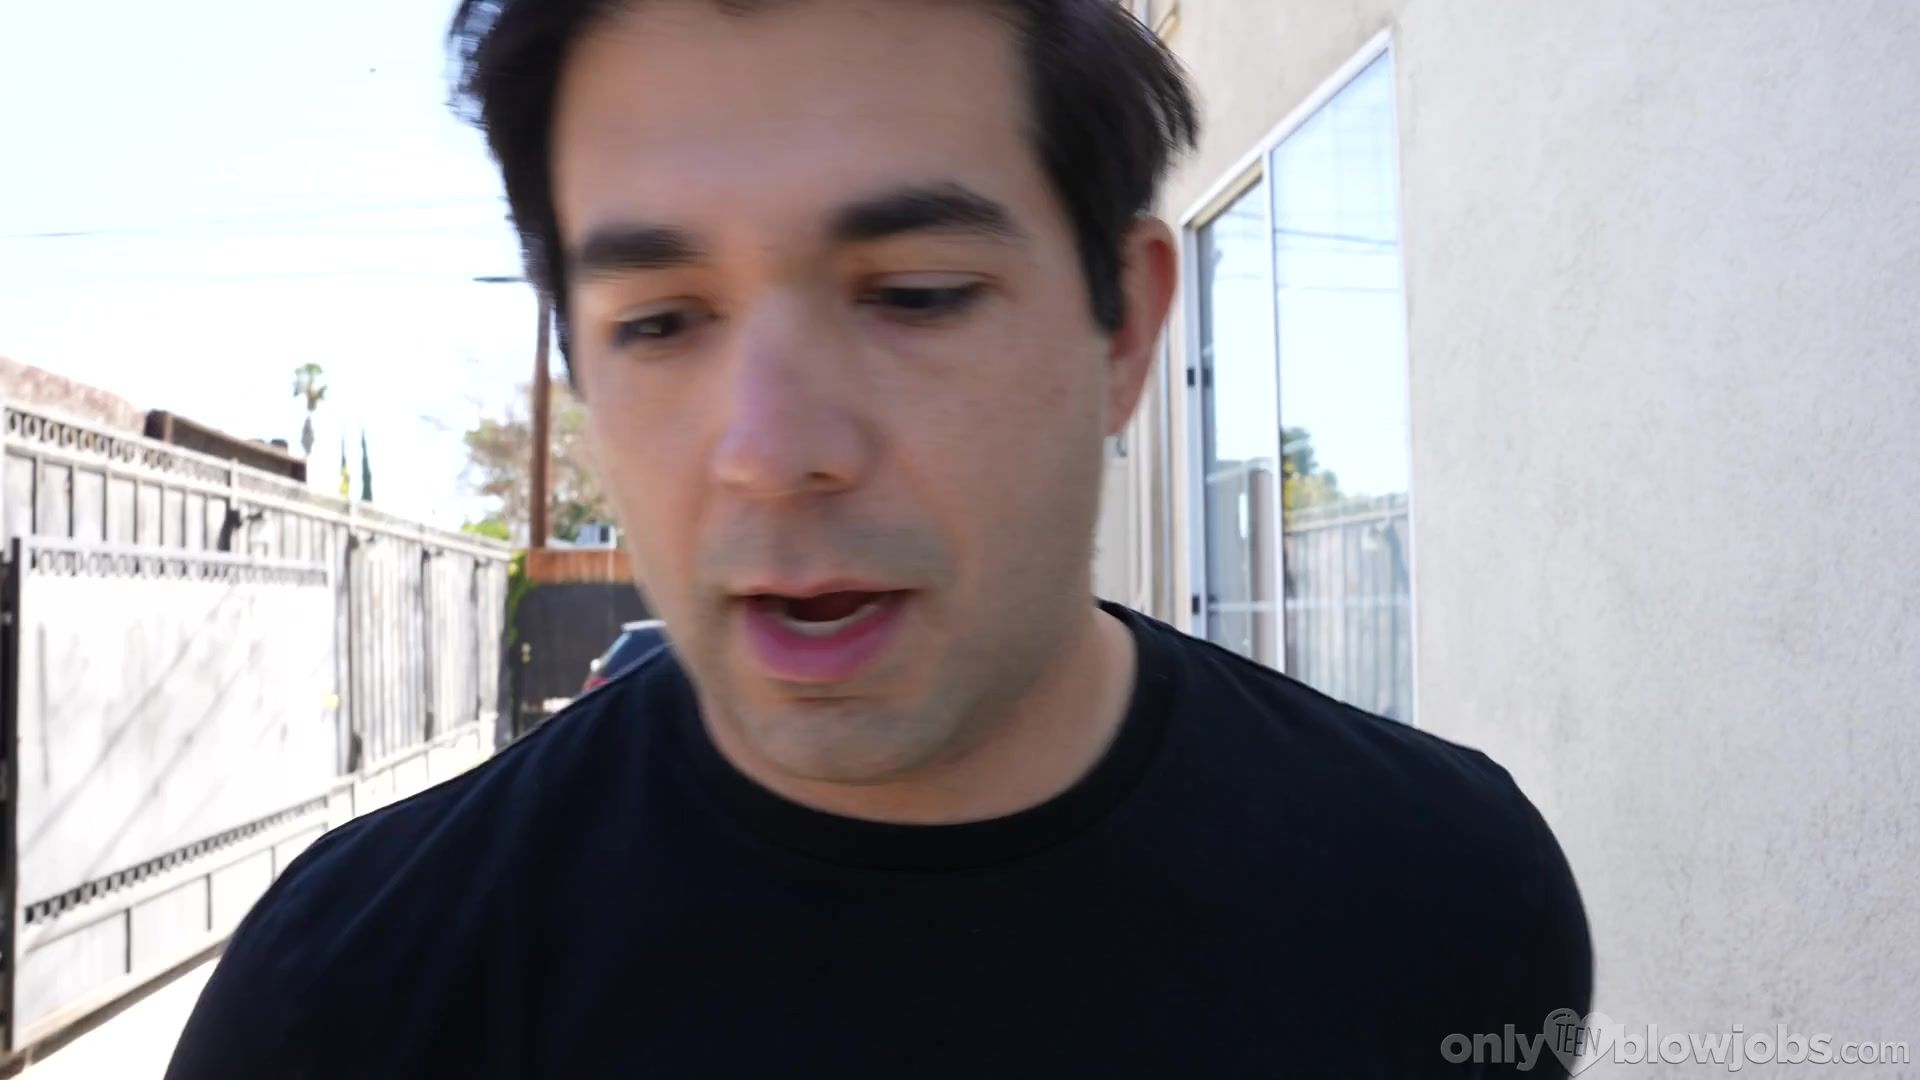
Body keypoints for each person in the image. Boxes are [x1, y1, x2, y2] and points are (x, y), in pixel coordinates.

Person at [167, 0, 1592, 1075]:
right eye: (659, 321)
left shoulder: (1448, 901)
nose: (774, 448)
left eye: (915, 294)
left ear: (1124, 330)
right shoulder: (349, 1003)